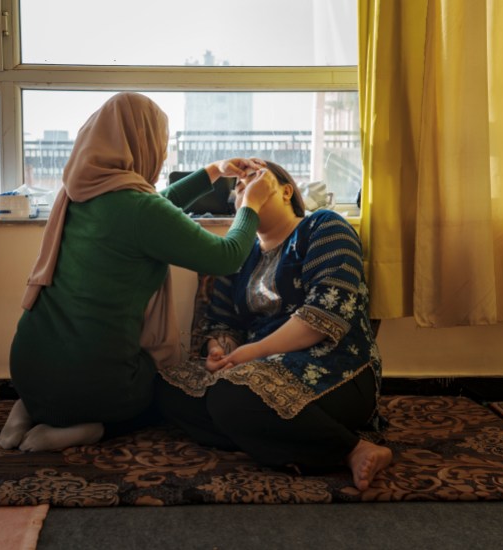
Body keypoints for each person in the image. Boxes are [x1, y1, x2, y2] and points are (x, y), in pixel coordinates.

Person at [0, 92, 277, 453]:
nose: (161, 154)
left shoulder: (78, 190)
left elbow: (154, 209)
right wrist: (250, 206)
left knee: (62, 375)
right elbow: (226, 257)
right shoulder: (138, 209)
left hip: (27, 369)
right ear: (143, 142)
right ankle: (91, 428)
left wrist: (213, 172)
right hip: (90, 383)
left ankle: (29, 409)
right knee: (166, 391)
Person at [156, 161, 393, 491]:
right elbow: (223, 321)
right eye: (238, 188)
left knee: (231, 395)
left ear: (286, 190)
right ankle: (278, 434)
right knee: (170, 387)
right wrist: (219, 351)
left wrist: (248, 354)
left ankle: (351, 449)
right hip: (257, 369)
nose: (244, 187)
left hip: (332, 367)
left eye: (254, 178)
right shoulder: (239, 256)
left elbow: (322, 318)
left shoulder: (325, 227)